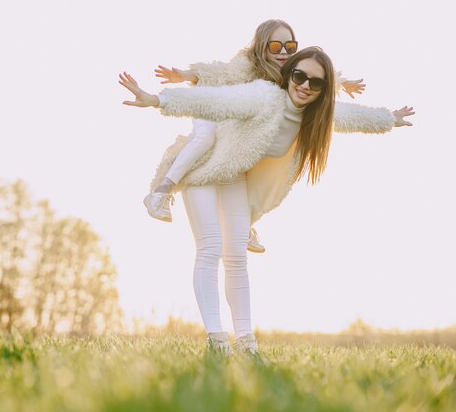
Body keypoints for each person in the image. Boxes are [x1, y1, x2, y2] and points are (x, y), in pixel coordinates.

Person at [119, 47, 414, 355]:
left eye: (316, 83)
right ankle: (218, 342)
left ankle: (247, 344)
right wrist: (158, 100)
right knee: (210, 248)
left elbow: (352, 117)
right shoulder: (264, 97)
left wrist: (390, 119)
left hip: (231, 173)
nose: (305, 86)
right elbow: (213, 101)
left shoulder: (315, 115)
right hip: (203, 167)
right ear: (289, 76)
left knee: (236, 258)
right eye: (299, 76)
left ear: (324, 91)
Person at [143, 19, 366, 254]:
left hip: (236, 119)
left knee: (254, 162)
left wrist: (342, 83)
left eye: (289, 47)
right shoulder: (247, 65)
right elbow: (221, 72)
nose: (282, 52)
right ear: (262, 46)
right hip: (212, 104)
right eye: (275, 46)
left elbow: (317, 74)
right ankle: (161, 191)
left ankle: (243, 224)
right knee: (205, 138)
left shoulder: (290, 70)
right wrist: (187, 75)